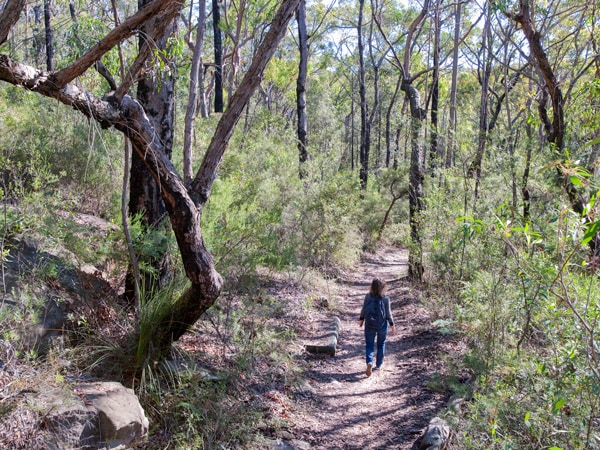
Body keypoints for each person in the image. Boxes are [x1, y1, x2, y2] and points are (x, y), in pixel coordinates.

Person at [359, 278, 395, 377]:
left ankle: (369, 361)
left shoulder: (367, 297)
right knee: (381, 344)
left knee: (369, 345)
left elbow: (363, 309)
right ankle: (378, 364)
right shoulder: (385, 299)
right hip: (382, 325)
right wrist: (392, 325)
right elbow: (388, 314)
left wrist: (361, 320)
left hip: (369, 324)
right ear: (383, 288)